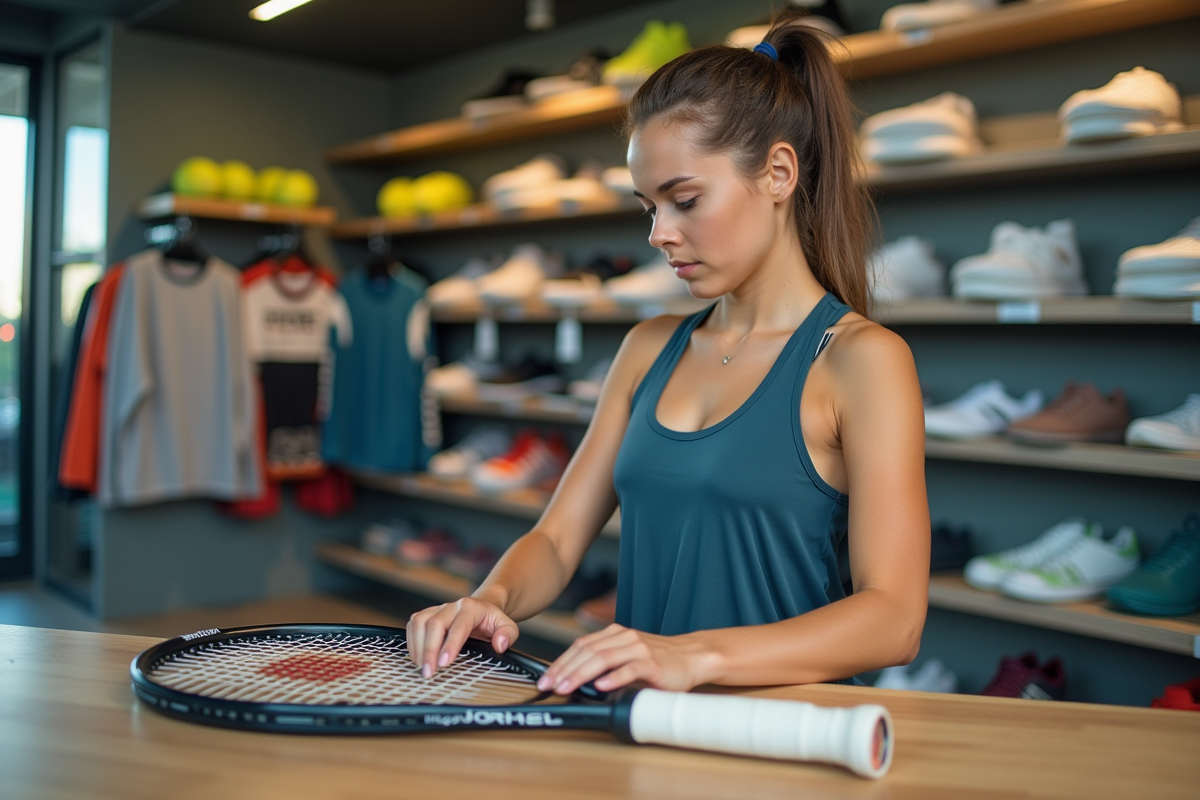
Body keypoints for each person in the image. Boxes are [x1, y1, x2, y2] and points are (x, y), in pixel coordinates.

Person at [407, 10, 930, 694]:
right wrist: (492, 598)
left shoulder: (861, 360)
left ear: (777, 173)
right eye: (648, 207)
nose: (659, 234)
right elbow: (559, 541)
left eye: (684, 200)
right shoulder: (646, 347)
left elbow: (893, 618)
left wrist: (693, 657)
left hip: (783, 743)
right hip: (642, 727)